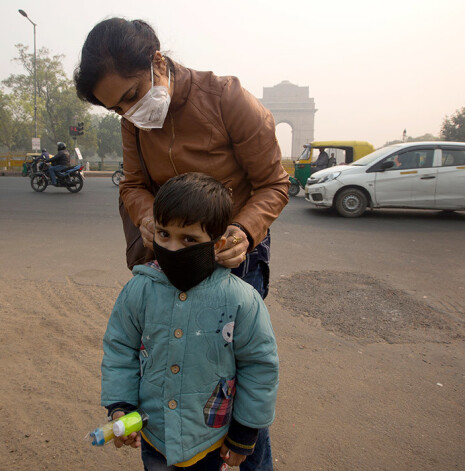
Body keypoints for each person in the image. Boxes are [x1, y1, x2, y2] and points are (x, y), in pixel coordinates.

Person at [74, 19, 288, 469]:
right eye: (116, 109)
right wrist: (149, 218)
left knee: (232, 369)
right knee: (173, 358)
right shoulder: (134, 122)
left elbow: (273, 183)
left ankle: (250, 455)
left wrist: (244, 232)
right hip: (170, 255)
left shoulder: (227, 98)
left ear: (156, 62)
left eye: (131, 95)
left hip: (231, 252)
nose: (130, 112)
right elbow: (133, 184)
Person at [101, 173, 279, 470]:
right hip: (155, 436)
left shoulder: (241, 300)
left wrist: (244, 434)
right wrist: (121, 406)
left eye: (189, 239)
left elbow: (259, 367)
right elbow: (120, 348)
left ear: (217, 243)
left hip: (209, 440)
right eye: (164, 234)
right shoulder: (139, 290)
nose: (172, 248)